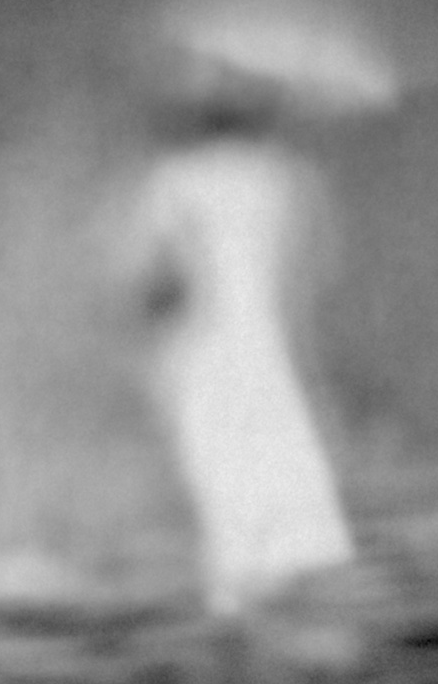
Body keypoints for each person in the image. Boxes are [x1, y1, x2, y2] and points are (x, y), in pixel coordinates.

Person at [124, 84, 355, 617]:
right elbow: (318, 264)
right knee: (277, 446)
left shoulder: (175, 178)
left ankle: (236, 591)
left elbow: (144, 272)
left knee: (216, 458)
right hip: (268, 337)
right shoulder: (287, 177)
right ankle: (286, 579)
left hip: (202, 338)